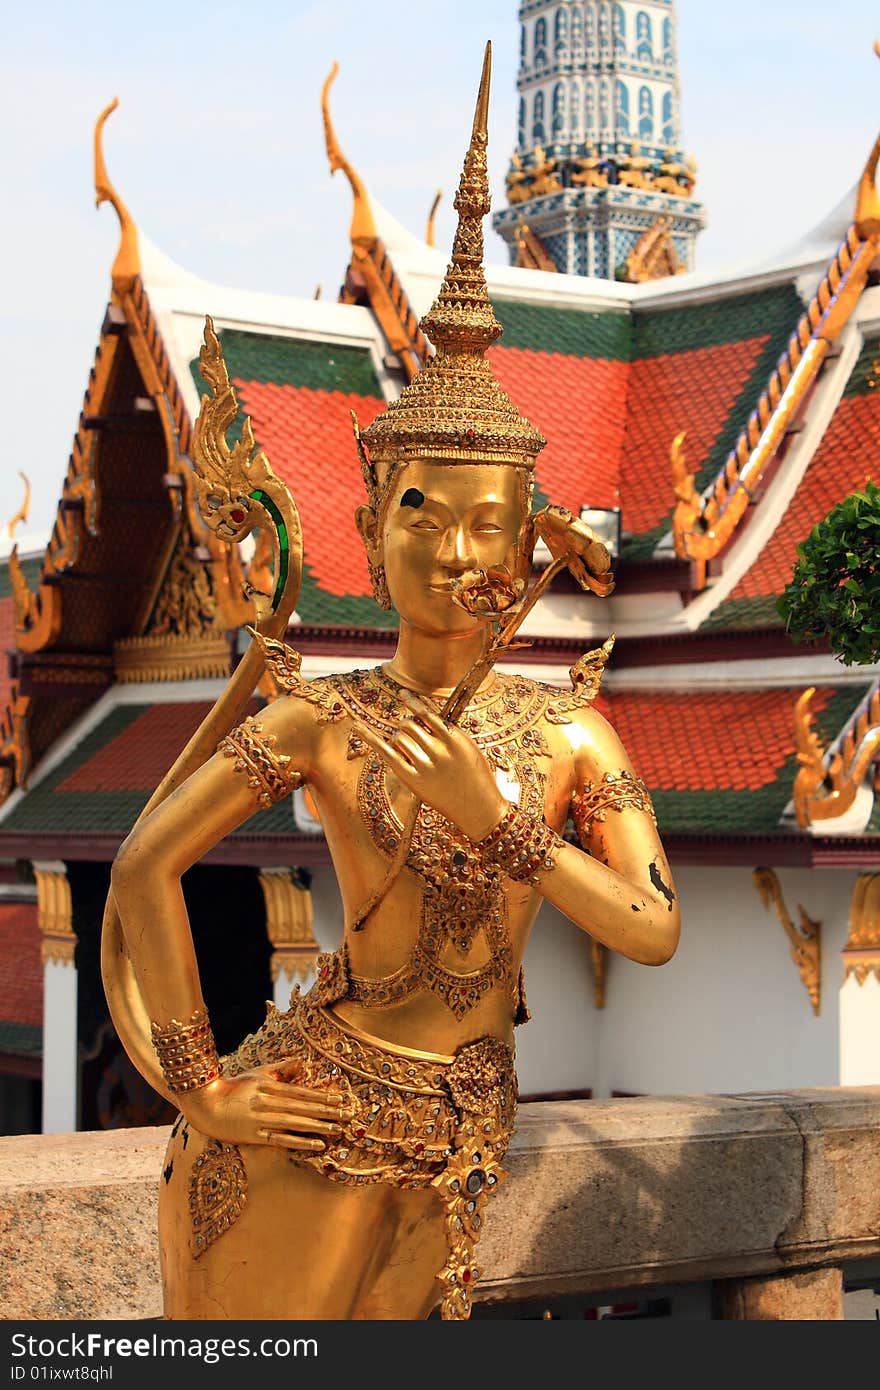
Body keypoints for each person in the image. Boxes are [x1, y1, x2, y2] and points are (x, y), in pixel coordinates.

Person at [107, 44, 679, 1322]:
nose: (454, 551)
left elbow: (650, 928)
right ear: (370, 530)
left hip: (467, 1128)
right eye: (419, 515)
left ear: (528, 536)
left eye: (488, 522)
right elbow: (146, 862)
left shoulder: (569, 730)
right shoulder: (327, 714)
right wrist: (203, 1084)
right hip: (311, 1110)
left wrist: (508, 827)